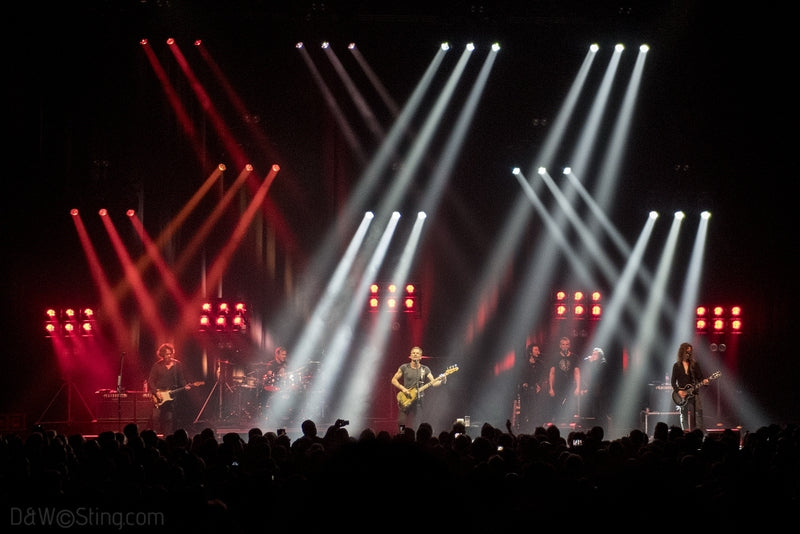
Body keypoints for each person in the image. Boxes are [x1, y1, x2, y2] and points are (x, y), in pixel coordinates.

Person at [391, 346, 447, 432]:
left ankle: (416, 439)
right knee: (401, 422)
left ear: (421, 357)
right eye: (413, 353)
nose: (415, 354)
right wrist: (403, 389)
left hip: (418, 401)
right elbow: (394, 380)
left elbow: (434, 383)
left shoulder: (425, 369)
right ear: (410, 355)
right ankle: (401, 436)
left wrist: (443, 380)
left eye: (417, 353)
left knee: (417, 424)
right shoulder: (404, 367)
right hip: (406, 398)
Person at [148, 342, 192, 435]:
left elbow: (181, 379)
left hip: (171, 396)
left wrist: (186, 385)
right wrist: (156, 392)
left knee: (169, 418)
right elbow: (151, 381)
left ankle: (167, 437)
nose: (169, 356)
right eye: (166, 354)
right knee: (156, 417)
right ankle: (155, 437)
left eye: (170, 354)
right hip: (159, 396)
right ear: (162, 355)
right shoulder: (157, 365)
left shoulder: (177, 364)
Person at [671, 342, 709, 433]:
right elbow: (673, 382)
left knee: (699, 412)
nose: (688, 354)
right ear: (682, 352)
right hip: (682, 395)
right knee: (683, 414)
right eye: (687, 352)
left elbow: (700, 377)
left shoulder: (694, 365)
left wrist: (705, 381)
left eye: (690, 352)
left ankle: (699, 433)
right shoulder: (676, 366)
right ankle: (685, 432)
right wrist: (678, 391)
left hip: (694, 393)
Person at [548, 336, 581, 424]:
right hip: (558, 386)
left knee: (569, 404)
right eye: (563, 344)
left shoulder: (574, 357)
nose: (565, 346)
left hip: (570, 385)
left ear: (569, 346)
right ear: (560, 346)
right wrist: (551, 387)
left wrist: (578, 387)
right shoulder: (555, 357)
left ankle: (568, 423)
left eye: (566, 344)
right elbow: (552, 373)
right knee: (558, 405)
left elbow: (577, 373)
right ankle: (558, 423)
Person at [517, 342, 548, 432]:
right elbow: (519, 376)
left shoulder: (541, 364)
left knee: (534, 412)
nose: (538, 352)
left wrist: (540, 384)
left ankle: (534, 430)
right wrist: (523, 383)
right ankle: (522, 430)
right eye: (536, 350)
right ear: (530, 352)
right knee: (524, 411)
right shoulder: (524, 364)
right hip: (525, 391)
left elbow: (544, 376)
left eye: (538, 350)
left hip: (536, 391)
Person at [580, 347, 608, 425]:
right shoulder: (597, 363)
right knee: (596, 411)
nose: (592, 356)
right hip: (596, 391)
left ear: (600, 355)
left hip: (601, 392)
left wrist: (591, 362)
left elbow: (598, 376)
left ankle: (603, 427)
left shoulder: (603, 363)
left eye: (595, 354)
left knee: (600, 412)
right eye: (592, 354)